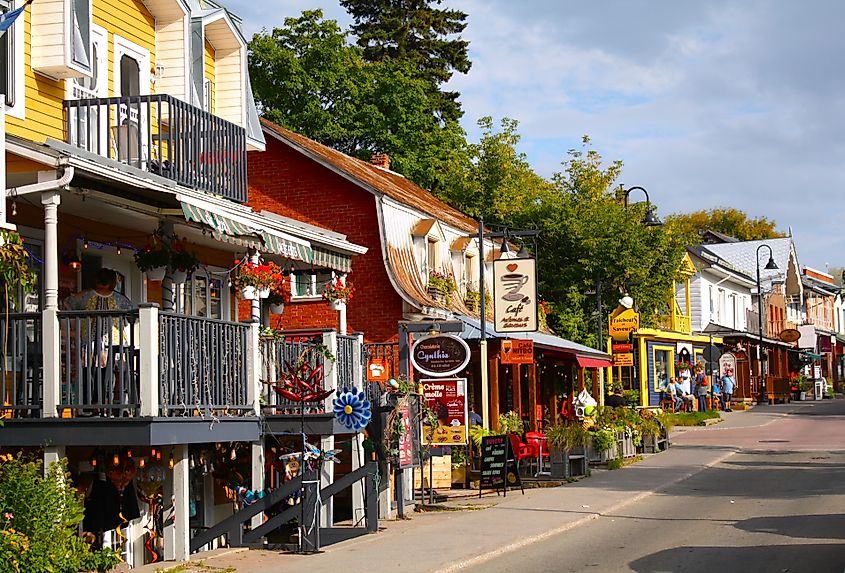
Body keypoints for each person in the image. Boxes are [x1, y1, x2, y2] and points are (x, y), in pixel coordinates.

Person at [62, 268, 136, 413]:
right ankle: (117, 403)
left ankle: (93, 404)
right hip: (115, 342)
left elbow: (67, 303)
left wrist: (74, 325)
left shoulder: (85, 296)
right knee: (118, 372)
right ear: (113, 281)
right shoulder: (119, 298)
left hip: (90, 340)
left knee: (91, 374)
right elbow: (132, 315)